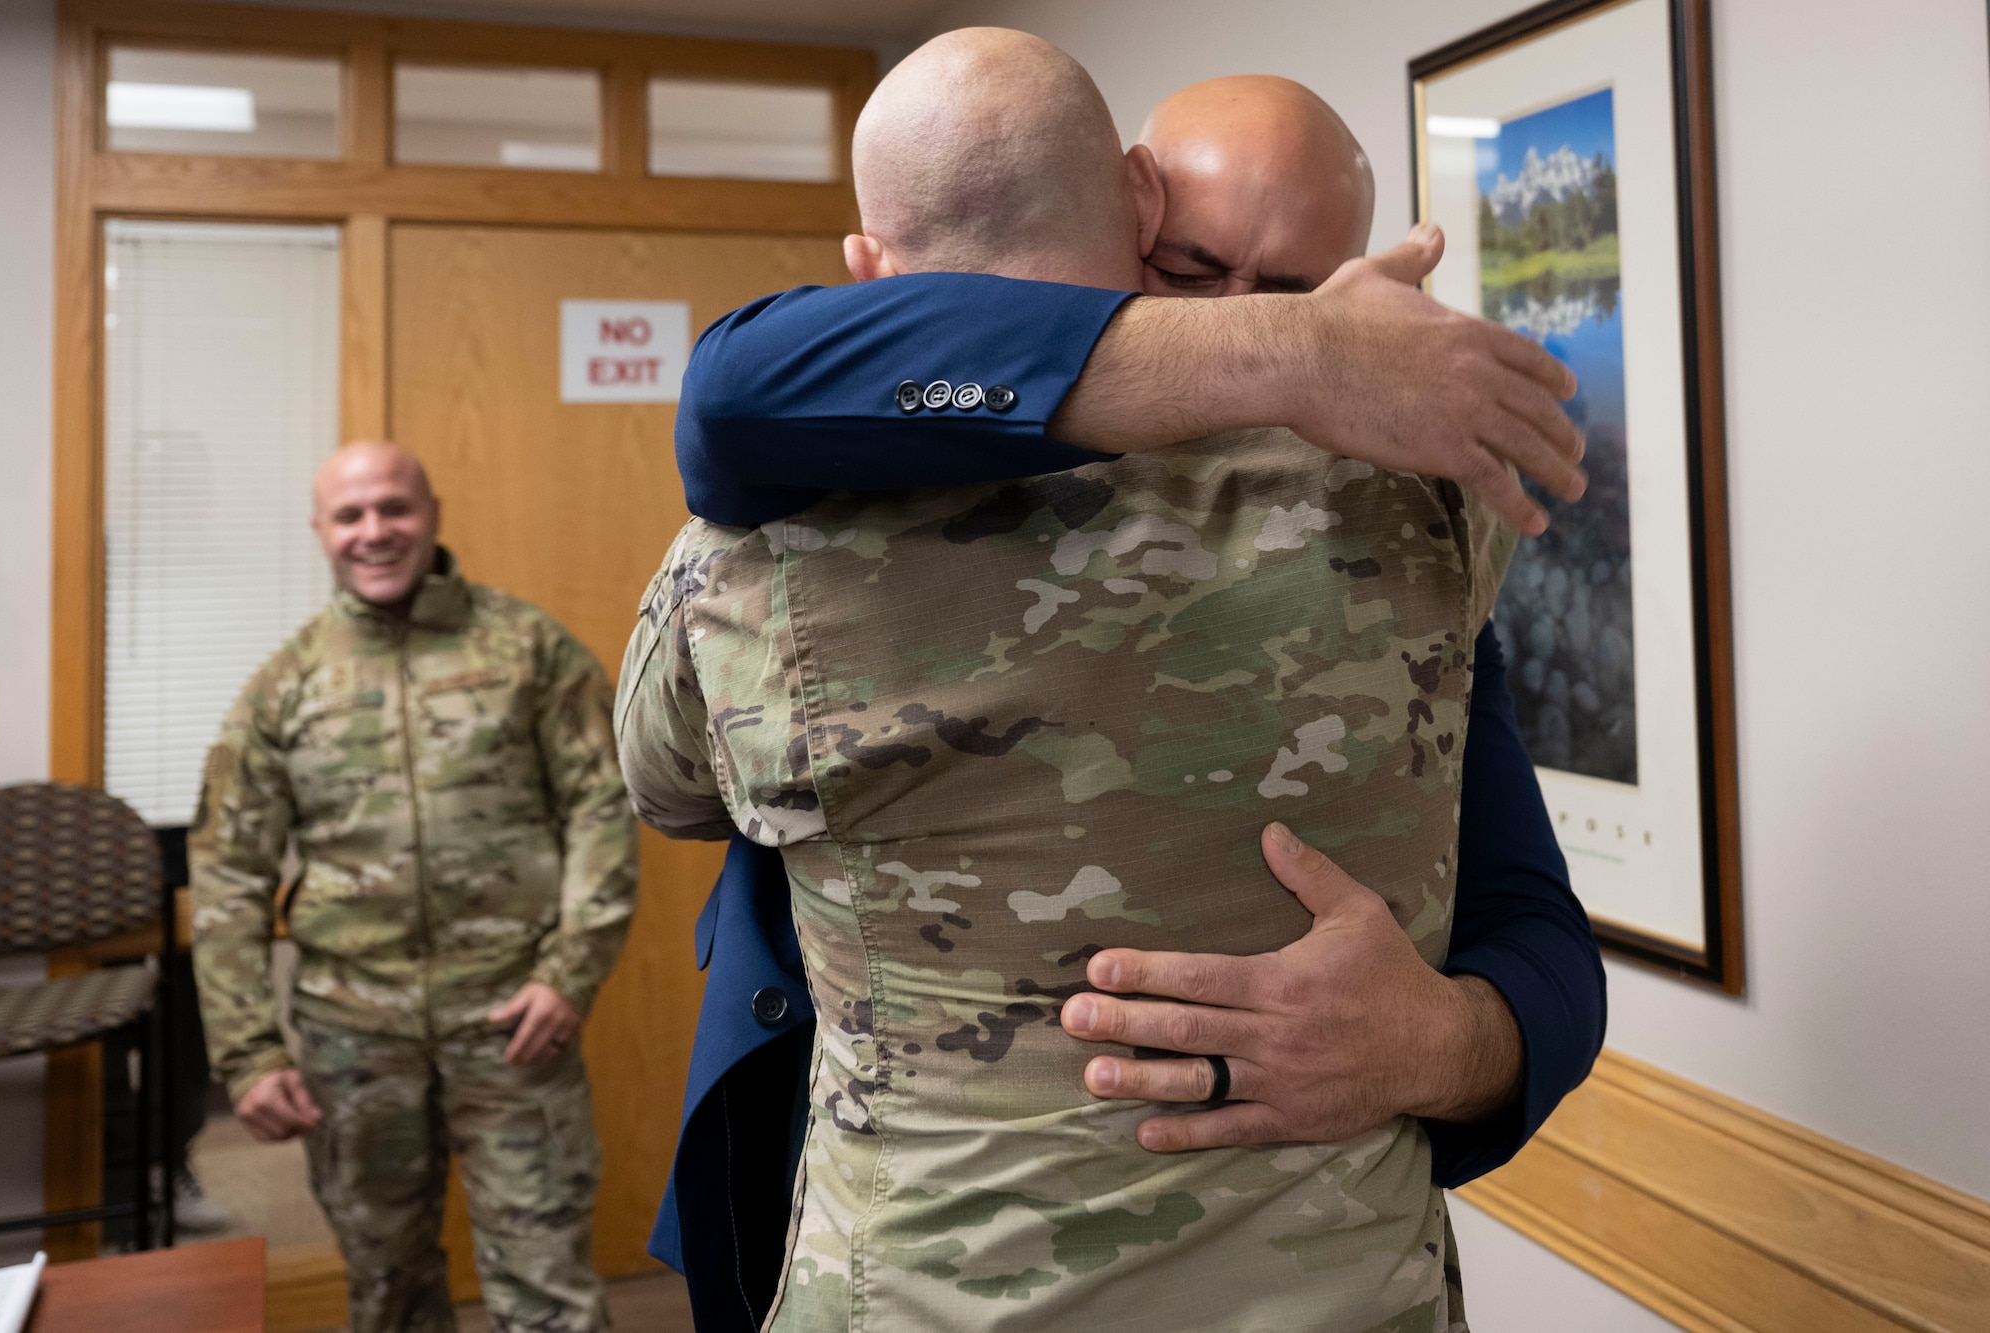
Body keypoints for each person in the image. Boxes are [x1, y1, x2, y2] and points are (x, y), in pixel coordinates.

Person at [621, 31, 1575, 1330]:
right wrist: (1292, 351)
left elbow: (1527, 909)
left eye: (1289, 295)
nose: (1236, 325)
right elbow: (737, 394)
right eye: (1195, 275)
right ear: (1138, 214)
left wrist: (1456, 1042)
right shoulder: (1430, 516)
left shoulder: (743, 558)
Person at [190, 441, 637, 1333]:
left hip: (514, 1023)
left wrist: (572, 969)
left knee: (547, 1284)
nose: (374, 531)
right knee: (387, 1288)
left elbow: (602, 806)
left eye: (393, 507)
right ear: (320, 531)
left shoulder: (530, 650)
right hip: (354, 1037)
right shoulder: (286, 685)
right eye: (350, 515)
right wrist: (248, 1048)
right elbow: (228, 872)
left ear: (431, 512)